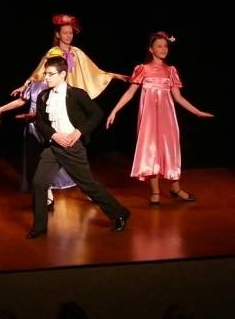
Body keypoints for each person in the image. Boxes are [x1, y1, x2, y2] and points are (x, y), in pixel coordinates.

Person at [106, 31, 214, 205]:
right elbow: (130, 93)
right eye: (159, 46)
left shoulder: (171, 70)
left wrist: (197, 112)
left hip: (167, 117)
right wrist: (115, 110)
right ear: (151, 49)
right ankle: (155, 191)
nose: (163, 49)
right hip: (149, 118)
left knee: (170, 149)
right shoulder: (143, 68)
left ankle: (176, 188)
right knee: (151, 150)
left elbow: (178, 98)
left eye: (165, 46)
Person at [28, 56, 130, 238]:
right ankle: (39, 227)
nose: (46, 77)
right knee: (39, 183)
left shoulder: (76, 94)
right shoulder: (44, 96)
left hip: (72, 147)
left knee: (88, 185)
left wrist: (79, 132)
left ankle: (120, 213)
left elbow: (96, 114)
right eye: (46, 74)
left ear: (62, 74)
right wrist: (54, 135)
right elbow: (40, 122)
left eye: (50, 74)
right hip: (53, 147)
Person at [0, 69, 75, 206]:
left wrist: (35, 115)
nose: (46, 74)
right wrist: (0, 109)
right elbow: (21, 101)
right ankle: (48, 194)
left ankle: (89, 189)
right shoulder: (35, 84)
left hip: (49, 127)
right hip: (33, 128)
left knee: (58, 159)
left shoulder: (56, 87)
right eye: (45, 70)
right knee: (37, 161)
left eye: (50, 72)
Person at [11, 14, 128, 99]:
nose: (68, 36)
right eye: (65, 33)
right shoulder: (54, 52)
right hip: (57, 94)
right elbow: (39, 72)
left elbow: (94, 71)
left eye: (71, 33)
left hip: (73, 95)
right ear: (58, 34)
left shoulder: (76, 52)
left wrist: (114, 75)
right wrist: (25, 86)